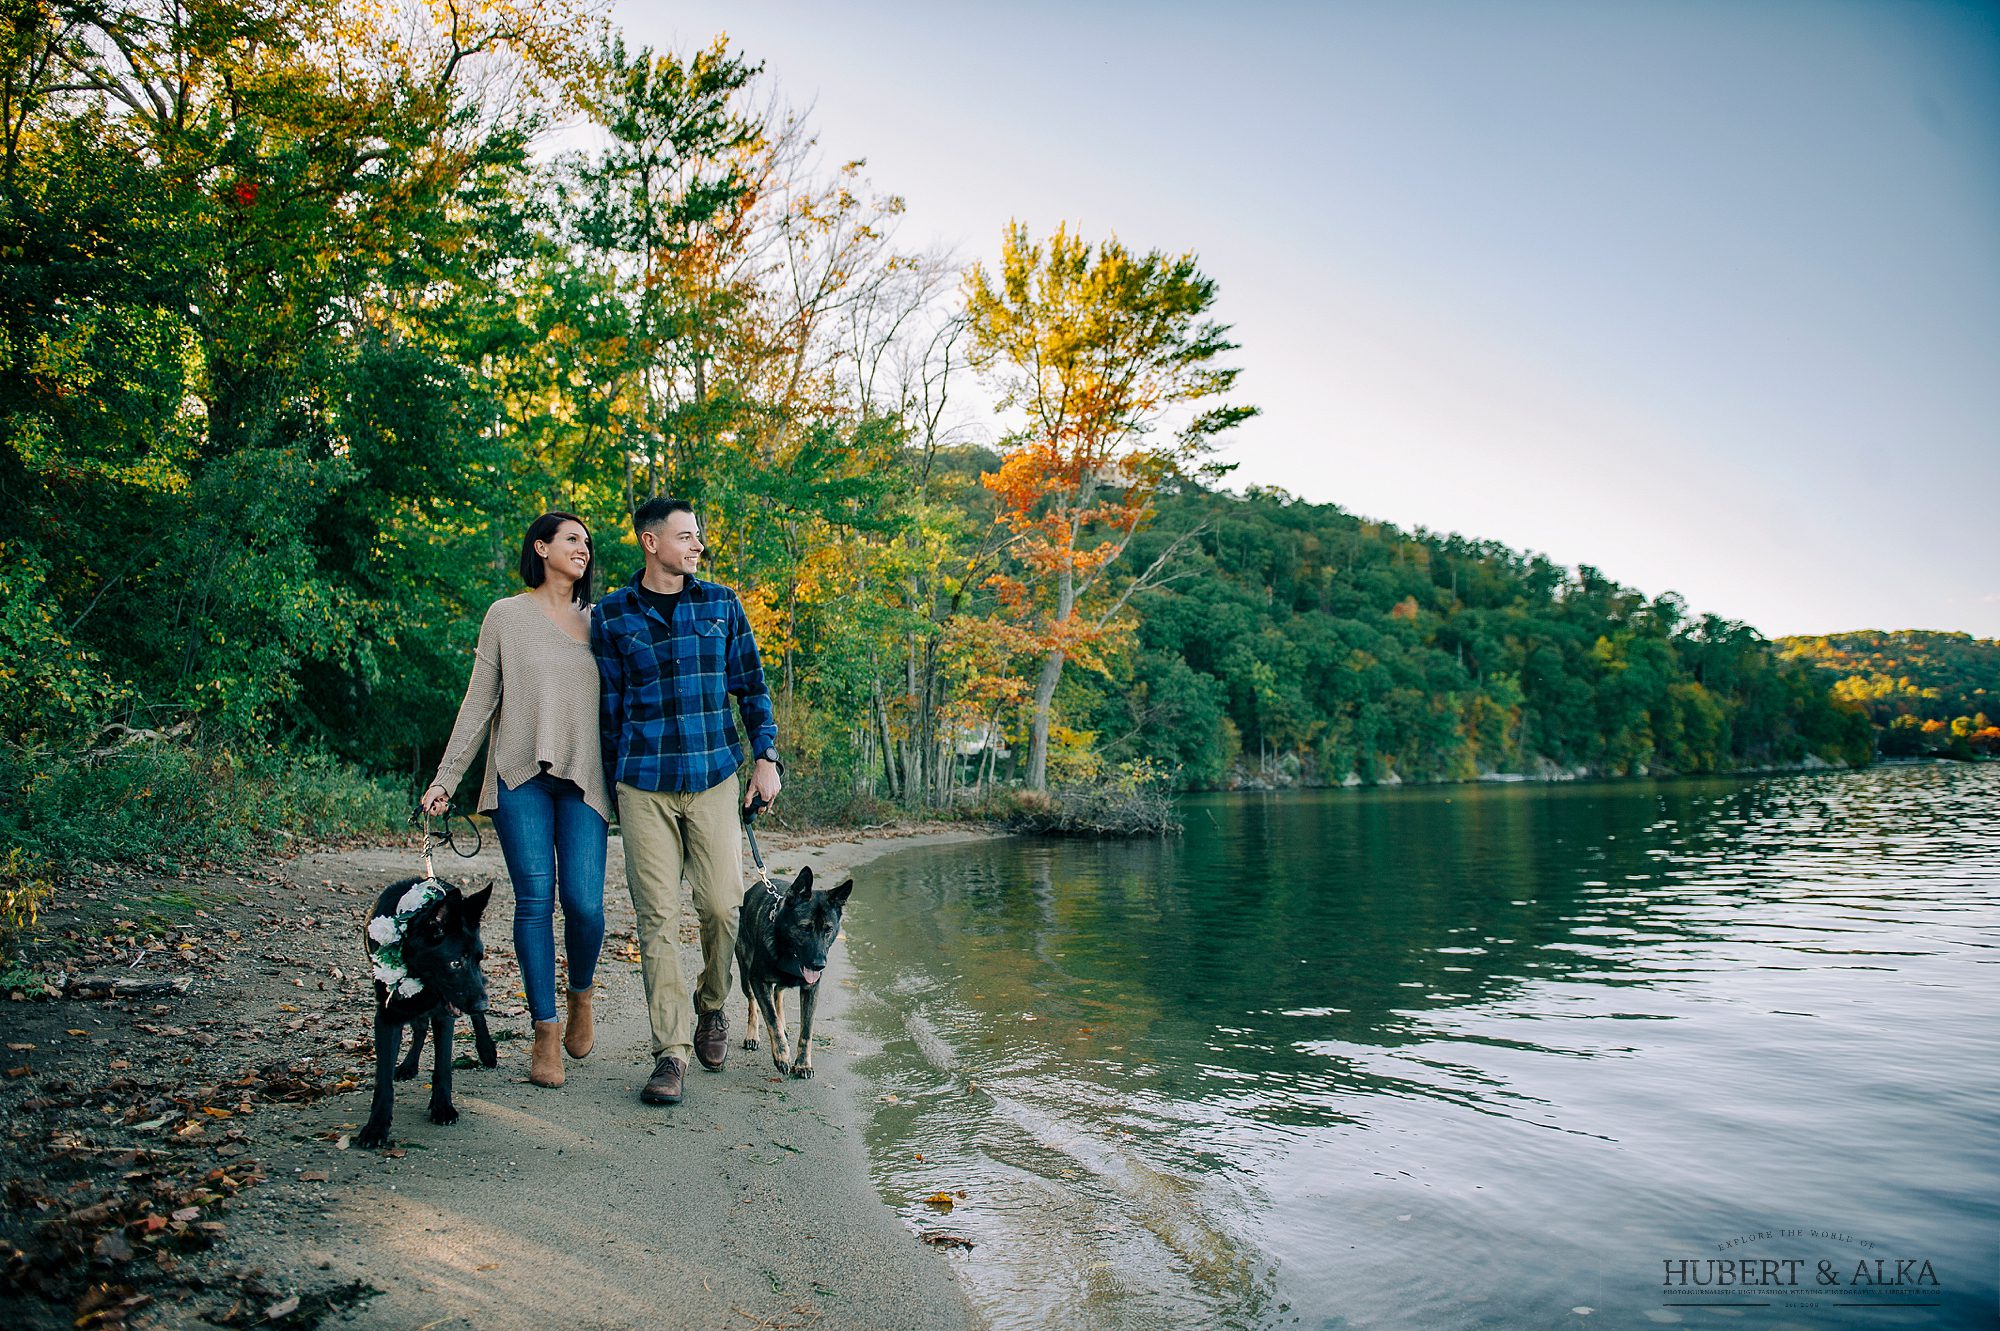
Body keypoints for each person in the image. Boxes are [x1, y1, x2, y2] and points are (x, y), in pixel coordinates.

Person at [592, 496, 782, 1106]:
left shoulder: (721, 603)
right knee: (655, 919)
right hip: (642, 783)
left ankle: (712, 1007)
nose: (697, 545)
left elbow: (751, 685)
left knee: (724, 908)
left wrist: (766, 757)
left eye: (698, 536)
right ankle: (669, 1054)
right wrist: (608, 788)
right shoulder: (613, 616)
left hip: (714, 776)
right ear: (651, 543)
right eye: (686, 536)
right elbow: (608, 711)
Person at [422, 512, 610, 1090]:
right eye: (572, 539)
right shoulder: (505, 616)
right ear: (541, 548)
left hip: (586, 776)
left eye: (587, 541)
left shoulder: (603, 622)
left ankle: (580, 993)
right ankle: (545, 1031)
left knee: (584, 904)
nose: (583, 548)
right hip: (519, 774)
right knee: (534, 901)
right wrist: (445, 779)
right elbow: (479, 701)